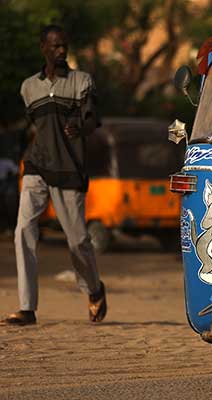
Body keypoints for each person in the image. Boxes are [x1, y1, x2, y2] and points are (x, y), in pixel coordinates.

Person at [0, 25, 107, 326]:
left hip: (69, 169)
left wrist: (79, 127)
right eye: (56, 46)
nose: (61, 51)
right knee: (23, 230)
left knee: (78, 242)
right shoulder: (28, 88)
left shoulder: (81, 81)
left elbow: (91, 118)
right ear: (43, 48)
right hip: (36, 167)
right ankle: (27, 307)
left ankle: (95, 289)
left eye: (65, 46)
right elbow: (35, 126)